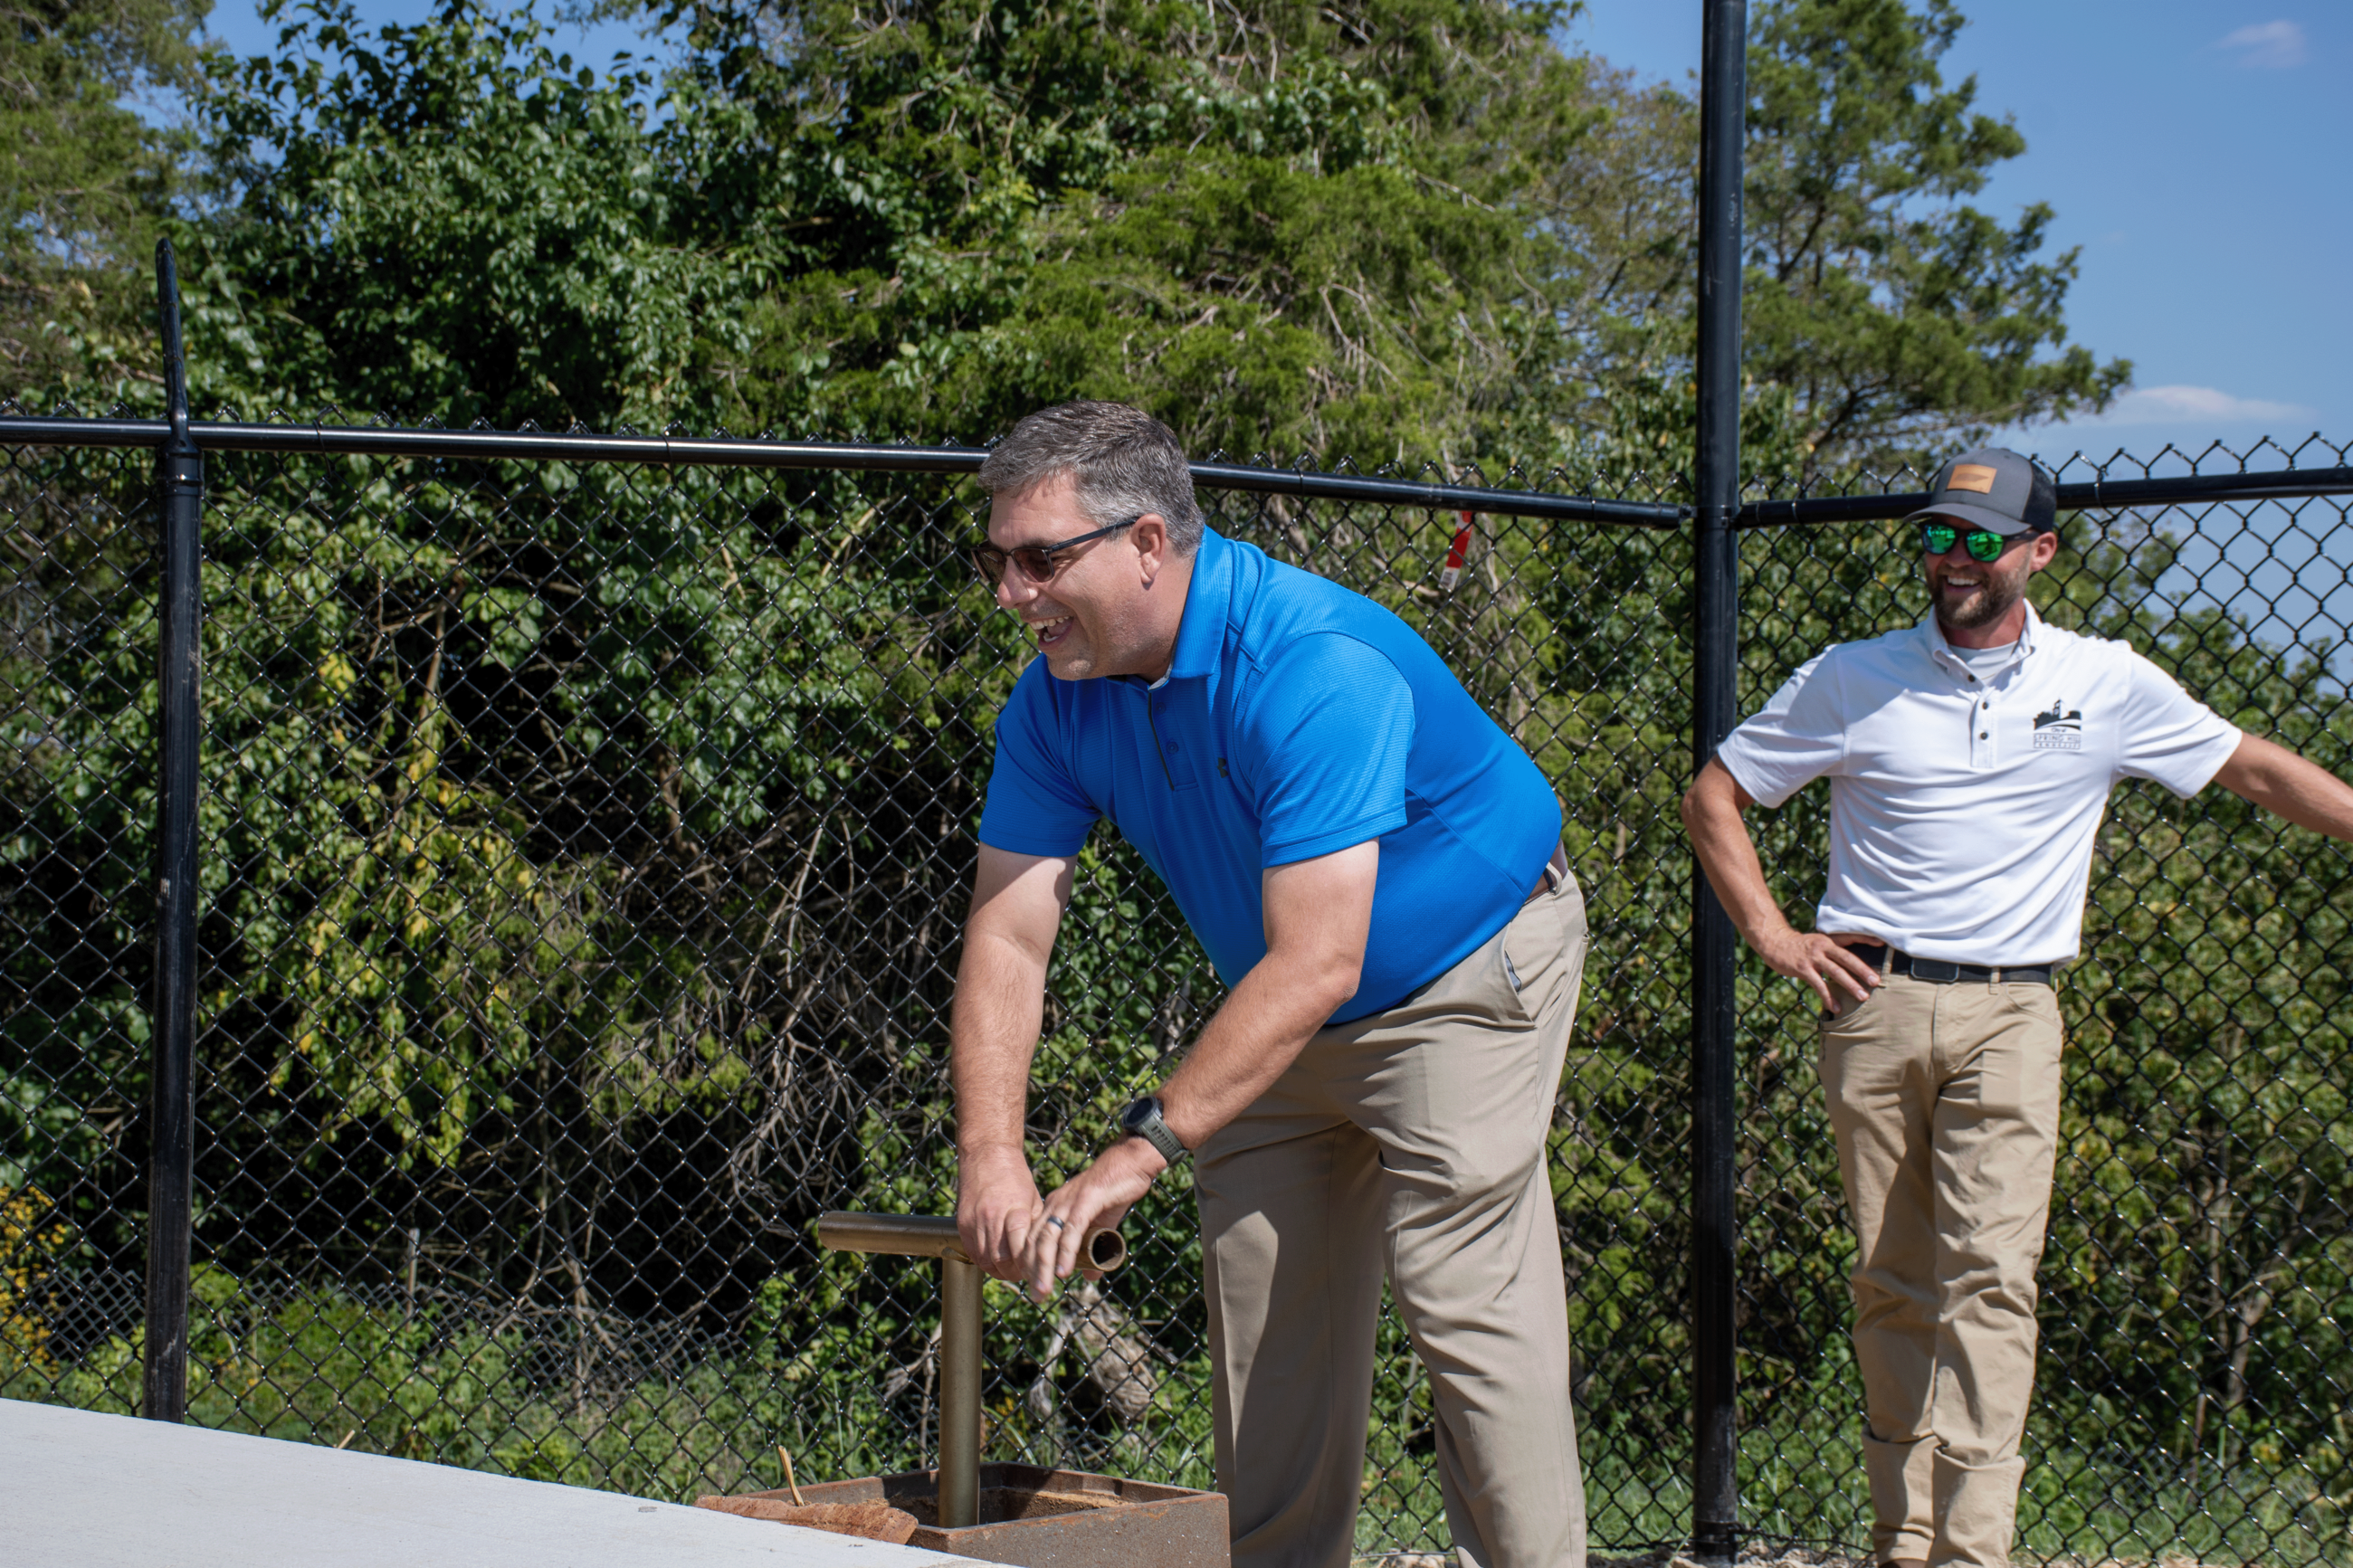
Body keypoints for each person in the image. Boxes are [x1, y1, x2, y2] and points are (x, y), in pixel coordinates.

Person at [1678, 447, 2353, 1568]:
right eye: (1938, 535)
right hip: (1872, 1001)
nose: (1951, 558)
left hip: (2012, 1011)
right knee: (1889, 1277)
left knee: (1991, 1277)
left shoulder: (2105, 679)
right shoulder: (1853, 674)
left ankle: (1972, 1548)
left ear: (2038, 551)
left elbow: (2253, 770)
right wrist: (1771, 932)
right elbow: (1716, 790)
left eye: (1979, 539)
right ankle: (1901, 1535)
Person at [950, 401, 1590, 1568]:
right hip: (1284, 1004)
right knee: (1266, 1333)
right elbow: (1008, 931)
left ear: (1147, 542)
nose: (1010, 593)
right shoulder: (1053, 697)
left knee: (1462, 1304)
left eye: (1040, 558)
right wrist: (990, 1147)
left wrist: (1136, 1148)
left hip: (1461, 972)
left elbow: (1319, 958)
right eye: (997, 559)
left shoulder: (1311, 663)